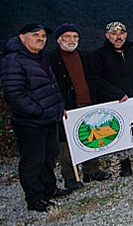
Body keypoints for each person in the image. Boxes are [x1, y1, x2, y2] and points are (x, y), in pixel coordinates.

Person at [1, 23, 67, 212]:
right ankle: (35, 198)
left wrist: (58, 105)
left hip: (49, 118)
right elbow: (14, 94)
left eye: (43, 36)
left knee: (49, 156)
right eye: (35, 35)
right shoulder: (13, 60)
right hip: (30, 122)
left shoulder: (40, 57)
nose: (41, 38)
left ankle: (49, 188)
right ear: (22, 37)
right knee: (33, 161)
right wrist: (38, 111)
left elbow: (51, 84)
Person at [48, 24, 111, 191]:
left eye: (75, 37)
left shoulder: (84, 56)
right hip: (67, 106)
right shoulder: (52, 60)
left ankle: (92, 170)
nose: (71, 40)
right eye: (67, 37)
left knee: (92, 137)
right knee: (66, 143)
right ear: (59, 39)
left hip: (88, 102)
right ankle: (70, 177)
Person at [89, 22, 133, 177]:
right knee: (119, 131)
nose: (118, 37)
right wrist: (116, 93)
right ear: (107, 36)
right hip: (115, 100)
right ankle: (124, 163)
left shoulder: (132, 51)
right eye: (114, 33)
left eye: (121, 33)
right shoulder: (98, 56)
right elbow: (97, 80)